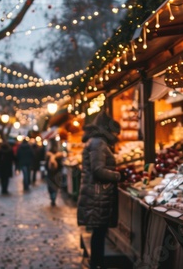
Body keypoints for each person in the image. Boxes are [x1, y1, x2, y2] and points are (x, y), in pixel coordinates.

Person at [76, 111, 121, 269]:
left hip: (97, 195)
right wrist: (118, 176)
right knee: (99, 234)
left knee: (98, 233)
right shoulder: (98, 143)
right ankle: (97, 264)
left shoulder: (95, 142)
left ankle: (96, 263)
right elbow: (98, 170)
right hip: (97, 195)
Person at [45, 138, 63, 206]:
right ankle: (54, 197)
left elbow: (46, 165)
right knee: (56, 185)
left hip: (50, 173)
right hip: (57, 173)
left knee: (50, 185)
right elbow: (61, 165)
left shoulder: (48, 154)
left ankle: (52, 197)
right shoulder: (59, 154)